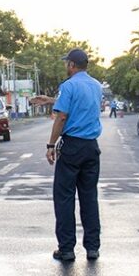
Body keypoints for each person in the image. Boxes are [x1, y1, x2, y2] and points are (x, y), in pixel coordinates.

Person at [46, 48, 103, 261]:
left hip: (71, 148)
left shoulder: (68, 86)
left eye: (66, 63)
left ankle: (67, 249)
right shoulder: (97, 86)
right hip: (91, 147)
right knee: (89, 197)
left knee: (64, 198)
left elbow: (62, 117)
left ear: (71, 65)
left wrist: (51, 144)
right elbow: (81, 104)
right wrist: (50, 99)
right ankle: (93, 247)